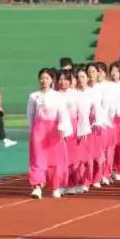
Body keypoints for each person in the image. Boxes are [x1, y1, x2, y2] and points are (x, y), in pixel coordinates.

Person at [26, 68, 71, 199]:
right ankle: (37, 187)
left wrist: (63, 126)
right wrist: (33, 130)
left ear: (52, 80)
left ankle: (56, 187)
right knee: (37, 158)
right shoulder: (33, 96)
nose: (44, 80)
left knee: (54, 159)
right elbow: (30, 114)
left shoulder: (57, 96)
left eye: (47, 78)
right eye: (42, 78)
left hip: (54, 130)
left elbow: (63, 113)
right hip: (38, 129)